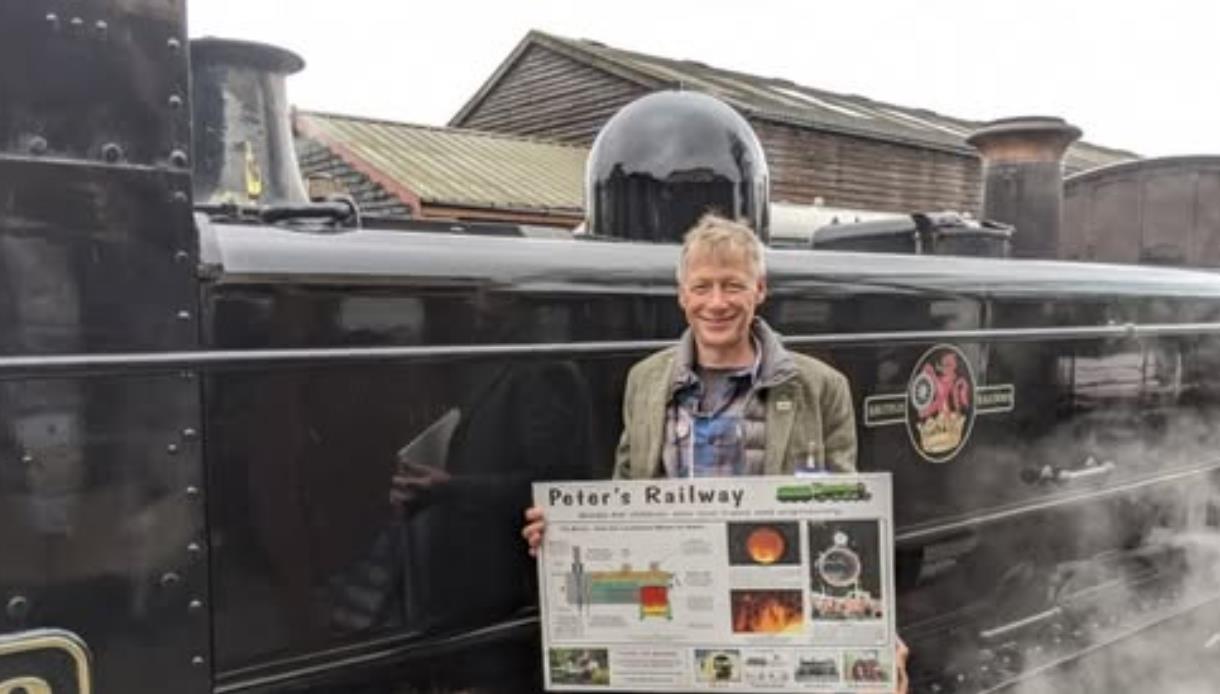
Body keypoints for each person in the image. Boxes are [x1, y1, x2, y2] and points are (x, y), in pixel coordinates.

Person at [522, 213, 907, 692]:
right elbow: (625, 496)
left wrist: (872, 630)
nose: (717, 303)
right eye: (702, 287)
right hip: (677, 619)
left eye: (733, 286)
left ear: (759, 290)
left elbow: (842, 516)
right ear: (683, 295)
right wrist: (565, 535)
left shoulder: (821, 387)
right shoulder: (644, 381)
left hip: (773, 618)